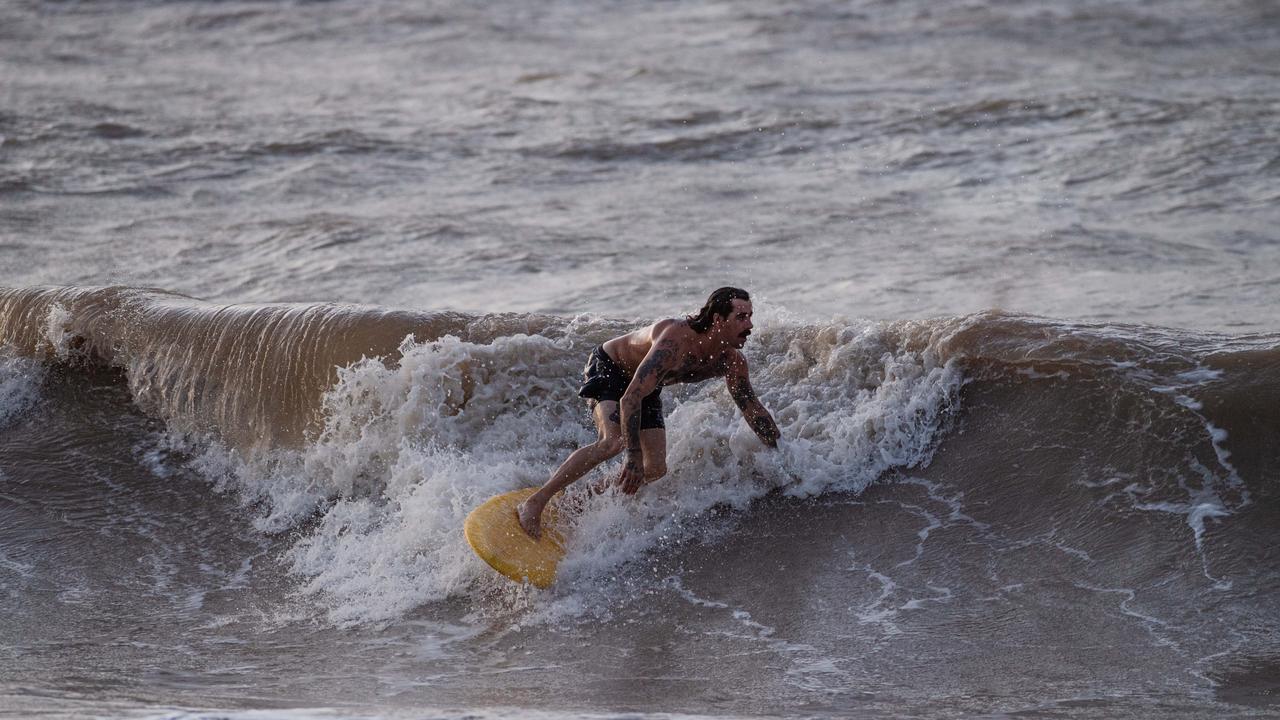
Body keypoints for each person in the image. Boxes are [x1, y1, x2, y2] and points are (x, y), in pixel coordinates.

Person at [516, 287, 782, 539]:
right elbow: (630, 398)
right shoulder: (676, 340)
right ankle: (535, 502)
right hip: (611, 368)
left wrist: (781, 450)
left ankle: (577, 502)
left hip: (647, 386)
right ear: (718, 319)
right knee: (614, 443)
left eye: (750, 317)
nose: (749, 326)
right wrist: (632, 455)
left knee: (654, 469)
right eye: (741, 317)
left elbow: (752, 409)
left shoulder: (731, 361)